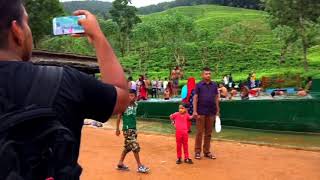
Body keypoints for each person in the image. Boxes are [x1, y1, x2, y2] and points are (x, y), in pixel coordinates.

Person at [0, 2, 129, 179]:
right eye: (27, 22)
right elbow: (121, 96)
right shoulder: (63, 80)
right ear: (17, 31)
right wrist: (98, 37)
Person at [116, 89, 150, 173]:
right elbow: (119, 117)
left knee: (128, 148)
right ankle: (139, 166)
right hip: (127, 129)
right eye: (128, 95)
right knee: (135, 146)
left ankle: (120, 163)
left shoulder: (135, 104)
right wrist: (117, 129)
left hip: (134, 129)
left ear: (135, 97)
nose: (129, 97)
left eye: (132, 95)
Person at [193, 67, 220, 160]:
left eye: (209, 73)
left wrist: (217, 110)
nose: (208, 75)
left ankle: (207, 152)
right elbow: (195, 98)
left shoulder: (214, 85)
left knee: (208, 133)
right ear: (202, 75)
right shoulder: (198, 85)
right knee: (199, 132)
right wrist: (195, 111)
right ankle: (197, 152)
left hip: (211, 112)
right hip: (200, 112)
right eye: (206, 73)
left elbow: (216, 97)